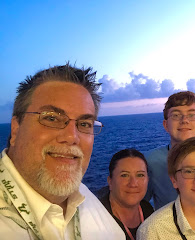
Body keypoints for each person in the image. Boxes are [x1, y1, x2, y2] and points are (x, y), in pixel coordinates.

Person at [0, 64, 125, 239]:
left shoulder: (89, 203)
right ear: (15, 129)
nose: (71, 137)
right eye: (51, 118)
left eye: (84, 124)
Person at [99, 149, 154, 240]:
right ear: (110, 181)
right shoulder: (98, 218)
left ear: (148, 179)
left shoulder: (147, 210)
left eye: (140, 175)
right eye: (124, 175)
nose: (133, 184)